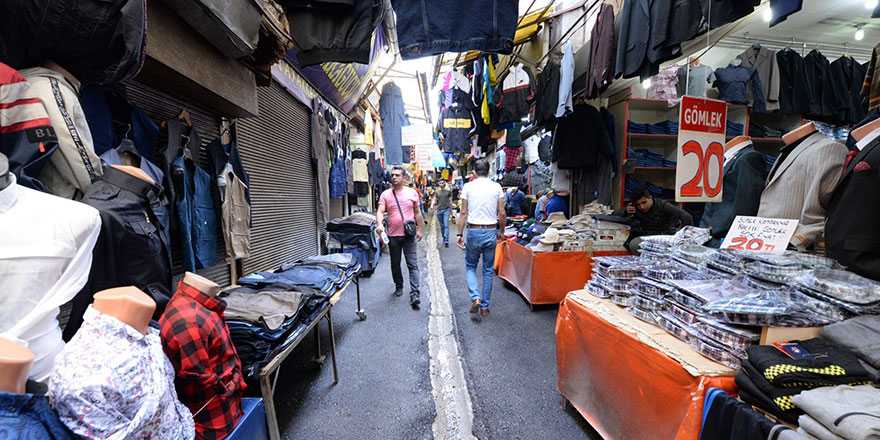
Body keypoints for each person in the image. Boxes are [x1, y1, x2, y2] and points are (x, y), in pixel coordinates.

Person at [456, 159, 505, 317]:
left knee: (470, 266)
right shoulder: (496, 187)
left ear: (474, 173)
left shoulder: (468, 187)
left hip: (474, 230)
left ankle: (475, 297)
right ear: (489, 172)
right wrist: (502, 232)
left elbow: (463, 213)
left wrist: (459, 234)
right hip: (491, 230)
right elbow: (502, 213)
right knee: (488, 271)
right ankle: (484, 307)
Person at [376, 166, 424, 307]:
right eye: (392, 175)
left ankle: (415, 293)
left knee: (412, 264)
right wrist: (380, 224)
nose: (394, 177)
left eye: (397, 175)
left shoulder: (412, 193)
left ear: (404, 178)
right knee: (395, 264)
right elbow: (380, 211)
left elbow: (417, 213)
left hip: (409, 235)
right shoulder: (385, 194)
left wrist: (420, 229)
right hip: (393, 235)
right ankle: (399, 285)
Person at [612, 188, 693, 255]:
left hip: (667, 235)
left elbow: (686, 217)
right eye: (638, 205)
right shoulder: (634, 208)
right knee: (633, 244)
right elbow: (613, 215)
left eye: (644, 202)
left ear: (650, 198)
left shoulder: (662, 205)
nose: (642, 207)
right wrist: (626, 211)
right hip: (649, 236)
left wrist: (687, 238)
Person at [431, 180, 453, 247]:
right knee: (442, 226)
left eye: (442, 183)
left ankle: (446, 239)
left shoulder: (448, 192)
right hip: (439, 210)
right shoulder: (437, 192)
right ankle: (444, 238)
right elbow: (435, 199)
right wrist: (432, 205)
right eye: (440, 183)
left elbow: (450, 200)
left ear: (444, 184)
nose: (441, 184)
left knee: (446, 225)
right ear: (438, 184)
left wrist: (451, 209)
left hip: (446, 209)